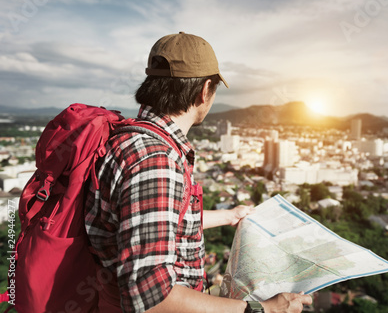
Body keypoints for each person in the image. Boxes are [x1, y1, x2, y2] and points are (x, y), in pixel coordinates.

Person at [85, 32, 312, 313]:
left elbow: (155, 222)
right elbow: (151, 298)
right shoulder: (156, 161)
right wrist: (263, 309)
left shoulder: (133, 139)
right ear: (204, 90)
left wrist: (230, 216)